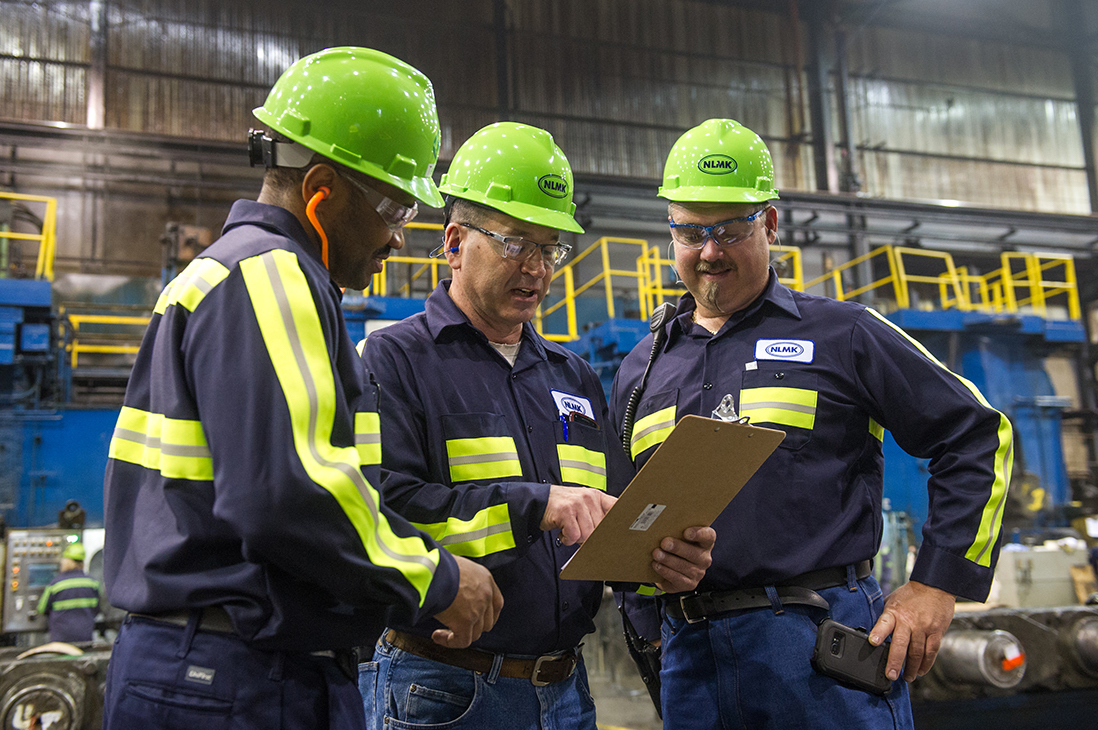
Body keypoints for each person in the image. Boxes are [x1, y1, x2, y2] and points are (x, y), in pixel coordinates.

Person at [101, 47, 502, 730]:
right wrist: (436, 579)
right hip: (237, 678)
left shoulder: (226, 275)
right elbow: (288, 494)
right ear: (320, 190)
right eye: (393, 207)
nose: (399, 237)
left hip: (205, 666)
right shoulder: (271, 276)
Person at [611, 118, 1014, 729]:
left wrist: (937, 585)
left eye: (730, 229)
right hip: (691, 662)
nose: (711, 251)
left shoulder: (844, 335)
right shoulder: (642, 368)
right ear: (670, 233)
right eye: (691, 231)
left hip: (821, 657)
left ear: (770, 225)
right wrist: (650, 632)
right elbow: (628, 519)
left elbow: (978, 434)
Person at [358, 121, 716, 730]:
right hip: (444, 688)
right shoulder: (396, 360)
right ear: (453, 242)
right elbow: (381, 512)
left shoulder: (572, 376)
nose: (537, 268)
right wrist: (535, 506)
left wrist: (659, 557)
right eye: (514, 242)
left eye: (549, 248)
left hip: (563, 688)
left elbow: (607, 515)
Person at [36, 542, 101, 644]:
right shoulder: (92, 583)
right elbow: (97, 609)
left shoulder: (56, 584)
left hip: (61, 639)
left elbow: (42, 608)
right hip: (85, 637)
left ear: (68, 562)